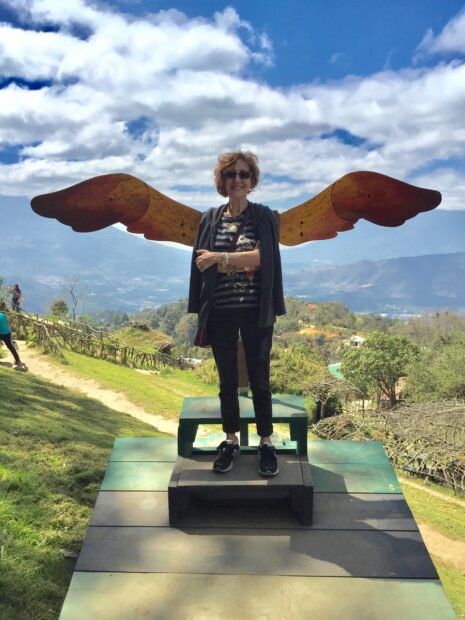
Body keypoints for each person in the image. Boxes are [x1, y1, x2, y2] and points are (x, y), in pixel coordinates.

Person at [188, 151, 286, 476]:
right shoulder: (210, 218)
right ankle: (230, 440)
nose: (238, 180)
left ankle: (266, 443)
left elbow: (263, 258)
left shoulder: (263, 217)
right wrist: (229, 259)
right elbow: (200, 262)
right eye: (231, 174)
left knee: (260, 380)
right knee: (226, 381)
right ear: (223, 180)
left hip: (256, 312)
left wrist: (220, 258)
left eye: (244, 174)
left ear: (252, 180)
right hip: (220, 312)